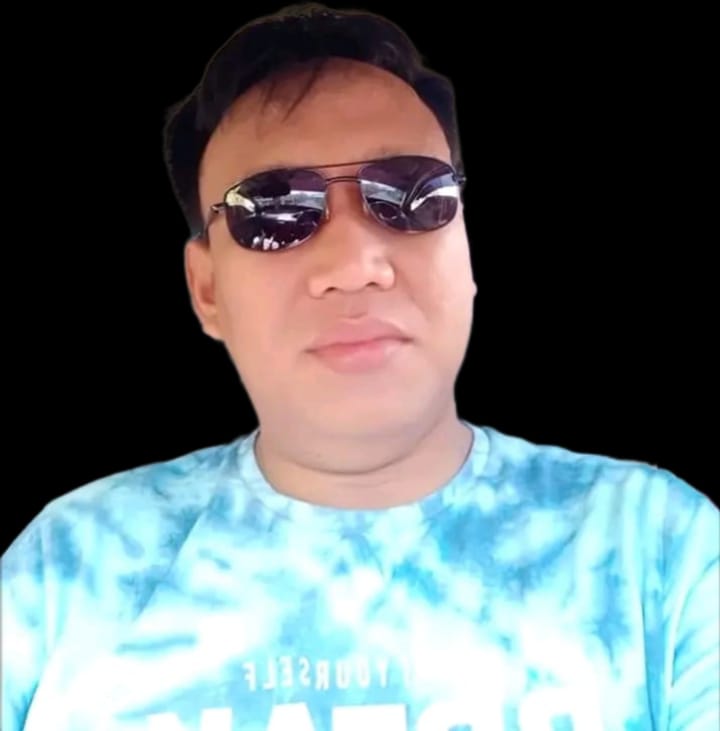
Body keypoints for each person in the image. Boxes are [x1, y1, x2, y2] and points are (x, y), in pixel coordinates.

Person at [2, 4, 718, 730]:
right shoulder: (63, 573)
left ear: (468, 250)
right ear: (207, 289)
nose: (355, 264)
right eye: (273, 212)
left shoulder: (660, 551)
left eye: (412, 195)